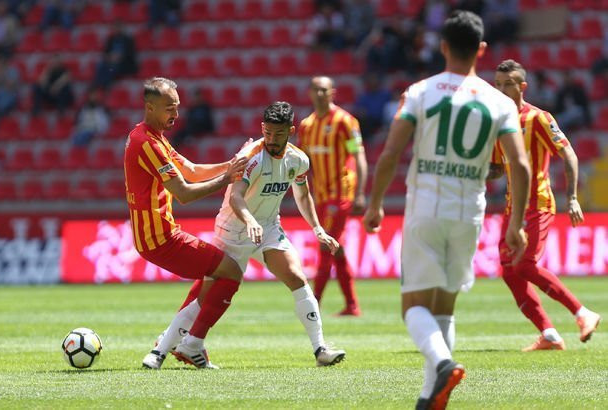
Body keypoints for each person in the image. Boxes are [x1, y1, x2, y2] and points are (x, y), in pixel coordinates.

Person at [363, 11, 531, 409]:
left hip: (426, 206)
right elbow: (520, 165)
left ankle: (443, 364)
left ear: (442, 46)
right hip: (470, 211)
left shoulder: (420, 92)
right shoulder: (499, 101)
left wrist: (374, 204)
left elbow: (390, 153)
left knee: (413, 306)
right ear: (481, 49)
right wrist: (517, 224)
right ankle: (430, 397)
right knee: (445, 307)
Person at [143, 101, 347, 370]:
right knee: (206, 295)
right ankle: (162, 349)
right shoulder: (251, 157)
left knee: (297, 277)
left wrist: (318, 228)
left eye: (278, 134)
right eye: (268, 133)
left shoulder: (298, 159)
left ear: (291, 131)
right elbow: (236, 197)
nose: (272, 139)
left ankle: (320, 349)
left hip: (268, 228)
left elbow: (303, 193)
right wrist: (249, 220)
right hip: (234, 230)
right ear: (262, 128)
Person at [125, 77, 248, 369]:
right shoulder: (147, 143)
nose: (176, 114)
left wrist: (230, 165)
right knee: (231, 272)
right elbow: (183, 193)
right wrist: (226, 179)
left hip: (158, 236)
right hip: (160, 239)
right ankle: (190, 344)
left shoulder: (151, 137)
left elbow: (191, 170)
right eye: (169, 108)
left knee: (212, 277)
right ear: (150, 107)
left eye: (177, 107)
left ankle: (165, 347)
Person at [490, 59, 601, 352]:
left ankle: (582, 313)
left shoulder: (538, 118)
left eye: (508, 84)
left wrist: (572, 197)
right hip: (512, 207)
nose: (502, 90)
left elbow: (569, 154)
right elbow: (498, 168)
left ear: (522, 87)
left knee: (525, 265)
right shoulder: (497, 123)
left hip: (537, 203)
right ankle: (549, 334)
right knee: (509, 271)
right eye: (498, 84)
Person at [298, 76, 368, 316]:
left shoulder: (345, 121)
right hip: (319, 195)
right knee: (336, 248)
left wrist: (360, 193)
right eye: (316, 89)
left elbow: (358, 156)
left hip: (341, 193)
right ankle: (352, 305)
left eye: (324, 90)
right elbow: (303, 163)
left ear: (332, 93)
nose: (320, 94)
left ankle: (314, 303)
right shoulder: (306, 126)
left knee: (325, 245)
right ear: (309, 93)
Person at [92, 22, 138, 89]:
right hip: (110, 62)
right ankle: (98, 84)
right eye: (116, 27)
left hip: (124, 64)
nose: (117, 29)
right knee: (101, 66)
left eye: (118, 27)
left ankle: (103, 87)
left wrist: (120, 57)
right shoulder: (111, 39)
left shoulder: (128, 40)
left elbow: (131, 54)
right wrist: (109, 57)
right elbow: (105, 52)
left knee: (111, 69)